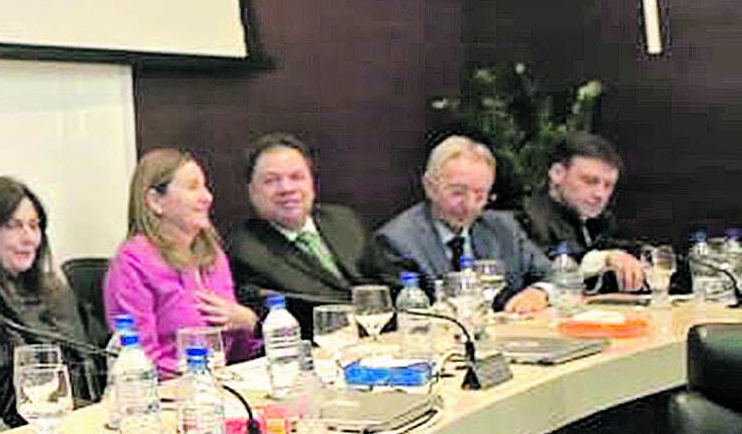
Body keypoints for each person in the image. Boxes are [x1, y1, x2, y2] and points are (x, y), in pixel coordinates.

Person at [0, 175, 103, 422]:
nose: (29, 239)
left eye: (34, 226)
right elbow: (6, 402)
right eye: (13, 226)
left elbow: (99, 359)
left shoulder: (54, 291)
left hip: (82, 424)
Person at [102, 148, 260, 375]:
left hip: (225, 383)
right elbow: (138, 358)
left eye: (205, 186)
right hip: (167, 395)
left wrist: (247, 321)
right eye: (193, 187)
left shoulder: (212, 254)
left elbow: (237, 353)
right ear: (155, 201)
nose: (207, 197)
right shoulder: (133, 261)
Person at [372, 135, 552, 312]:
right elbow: (404, 317)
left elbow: (556, 273)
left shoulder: (504, 228)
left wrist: (539, 291)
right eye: (457, 193)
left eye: (480, 195)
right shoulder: (397, 241)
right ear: (430, 187)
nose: (469, 205)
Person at [226, 133, 387, 318]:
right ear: (252, 191)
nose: (286, 188)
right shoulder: (245, 253)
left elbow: (387, 280)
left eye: (296, 177)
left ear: (311, 182)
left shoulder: (344, 220)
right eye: (271, 180)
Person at [519, 131, 650, 291]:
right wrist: (605, 259)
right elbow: (547, 270)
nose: (600, 194)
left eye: (608, 185)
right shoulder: (523, 217)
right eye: (590, 181)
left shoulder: (601, 222)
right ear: (557, 173)